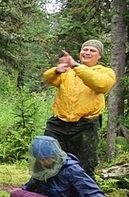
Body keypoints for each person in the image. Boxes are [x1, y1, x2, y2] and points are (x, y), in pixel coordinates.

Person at [43, 39, 115, 175]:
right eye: (85, 49)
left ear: (99, 56)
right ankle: (48, 192)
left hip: (86, 125)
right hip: (59, 123)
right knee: (49, 158)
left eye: (92, 50)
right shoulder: (68, 72)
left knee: (85, 165)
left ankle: (83, 194)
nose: (87, 52)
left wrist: (76, 65)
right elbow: (48, 78)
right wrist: (57, 70)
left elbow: (100, 84)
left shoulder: (105, 72)